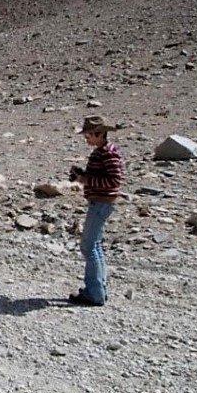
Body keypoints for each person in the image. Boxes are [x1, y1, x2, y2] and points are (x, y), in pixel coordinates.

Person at [68, 116, 124, 307]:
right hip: (100, 202)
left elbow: (114, 181)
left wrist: (86, 180)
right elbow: (104, 176)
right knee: (95, 245)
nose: (87, 139)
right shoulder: (104, 152)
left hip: (101, 203)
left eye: (89, 135)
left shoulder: (107, 153)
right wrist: (83, 175)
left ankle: (94, 293)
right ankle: (98, 289)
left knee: (89, 246)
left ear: (99, 134)